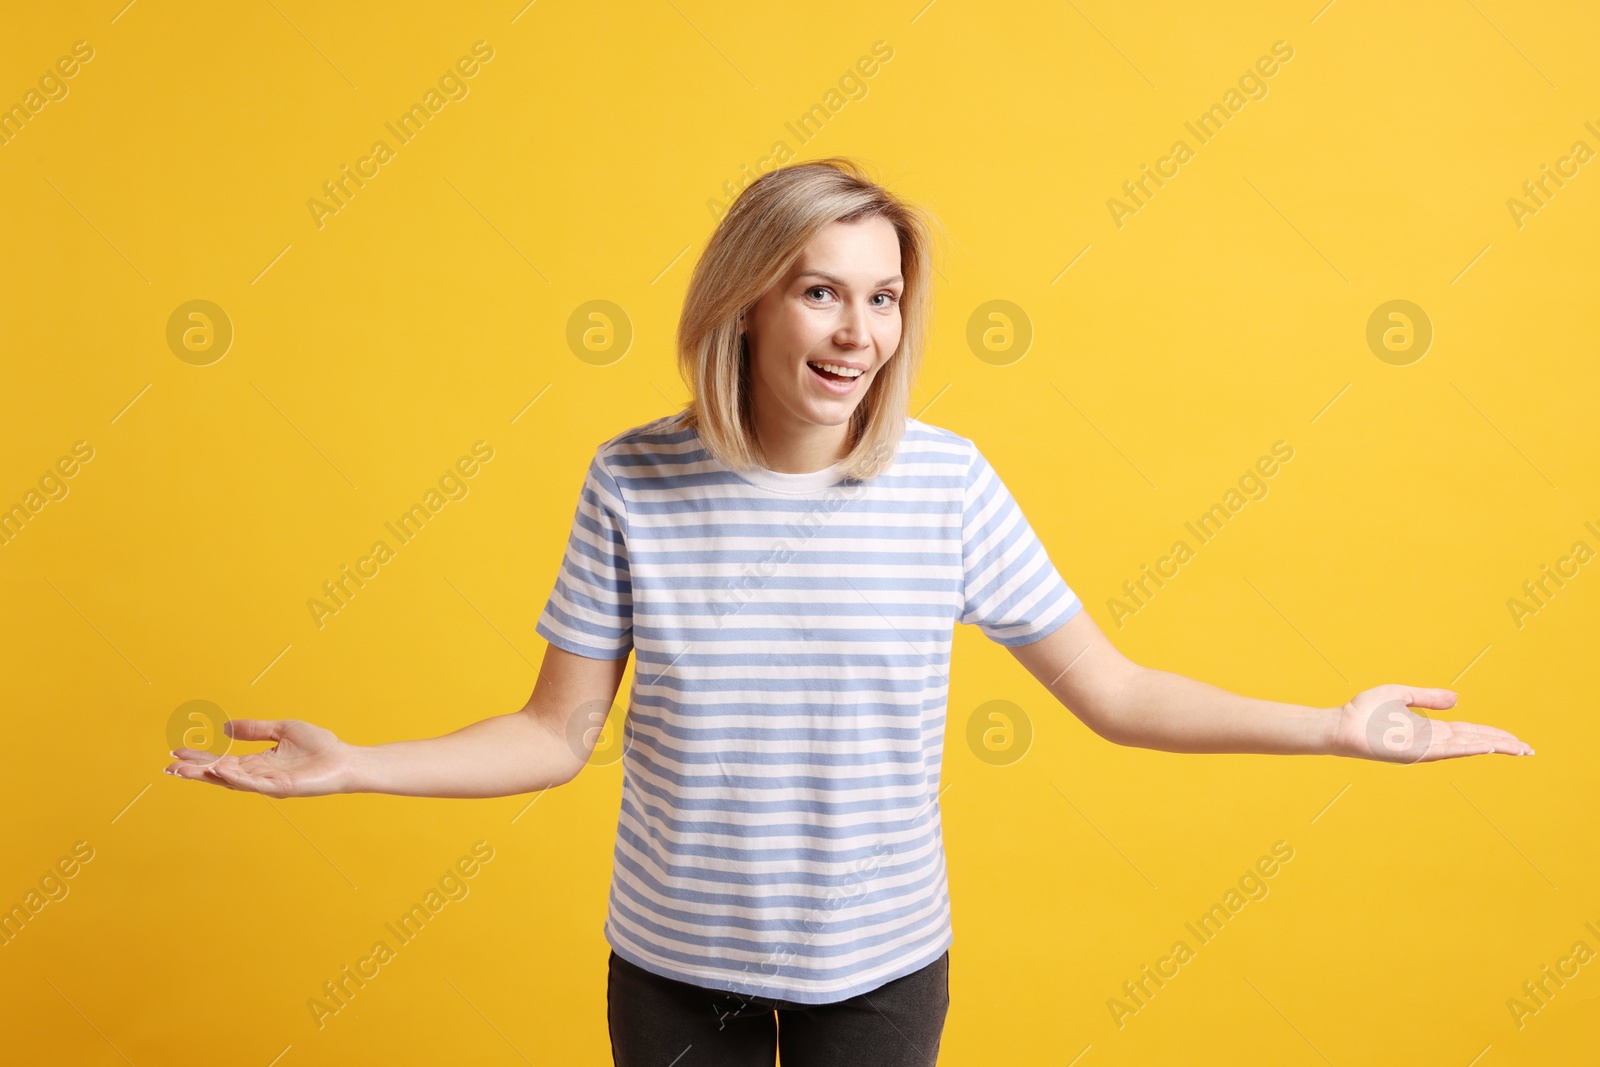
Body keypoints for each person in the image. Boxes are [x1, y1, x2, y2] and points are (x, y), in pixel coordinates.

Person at [164, 157, 1533, 1066]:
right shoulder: (634, 476)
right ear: (748, 302)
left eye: (882, 298)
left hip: (878, 971)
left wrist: (1336, 733)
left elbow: (1113, 694)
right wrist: (357, 769)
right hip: (672, 968)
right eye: (822, 291)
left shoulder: (944, 482)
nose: (856, 332)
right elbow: (553, 734)